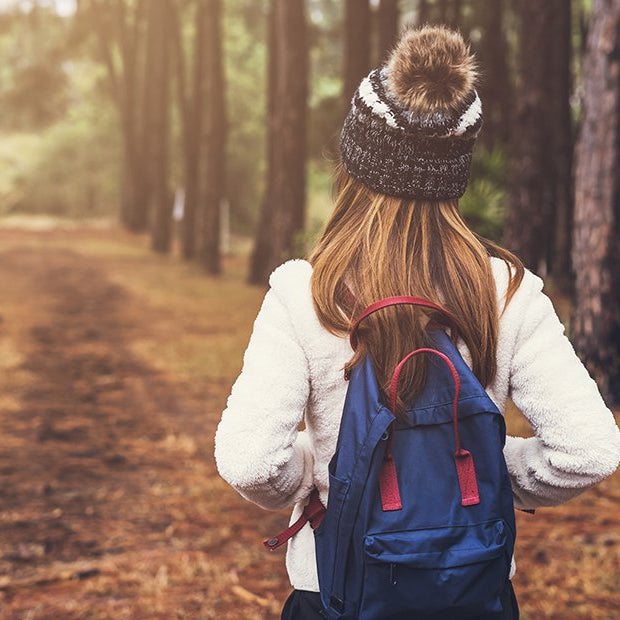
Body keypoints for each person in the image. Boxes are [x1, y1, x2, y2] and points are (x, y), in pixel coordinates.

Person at [214, 25, 620, 619]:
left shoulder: (306, 293)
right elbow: (587, 449)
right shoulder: (506, 291)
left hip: (336, 594)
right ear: (457, 172)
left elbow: (250, 461)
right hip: (472, 594)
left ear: (355, 164)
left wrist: (323, 475)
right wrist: (484, 472)